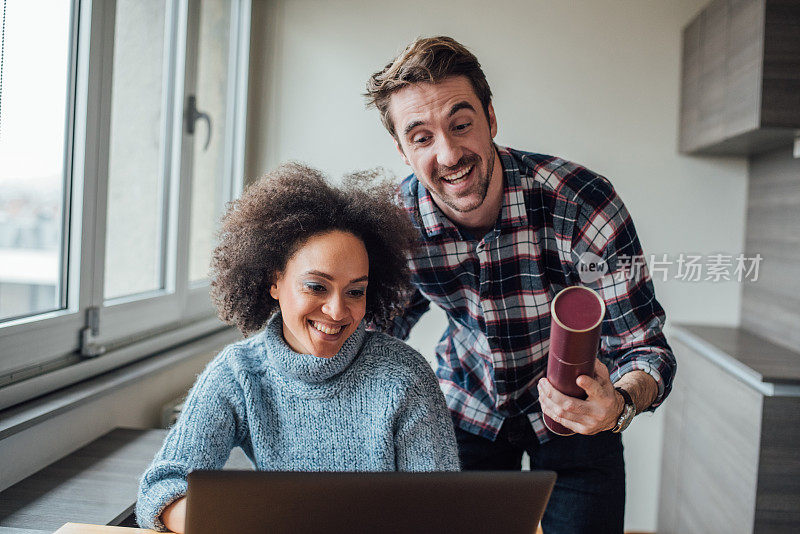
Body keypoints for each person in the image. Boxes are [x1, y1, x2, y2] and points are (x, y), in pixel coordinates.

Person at [365, 36, 677, 533]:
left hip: (579, 415)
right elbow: (375, 337)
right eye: (422, 137)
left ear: (491, 118)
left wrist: (619, 405)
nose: (448, 154)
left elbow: (645, 348)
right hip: (466, 410)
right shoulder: (395, 224)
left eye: (461, 125)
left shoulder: (583, 202)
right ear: (402, 151)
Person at [136, 163, 460, 533]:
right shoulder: (239, 374)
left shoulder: (405, 376)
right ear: (275, 282)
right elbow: (162, 489)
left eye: (355, 292)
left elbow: (440, 510)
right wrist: (239, 522)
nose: (337, 311)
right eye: (316, 287)